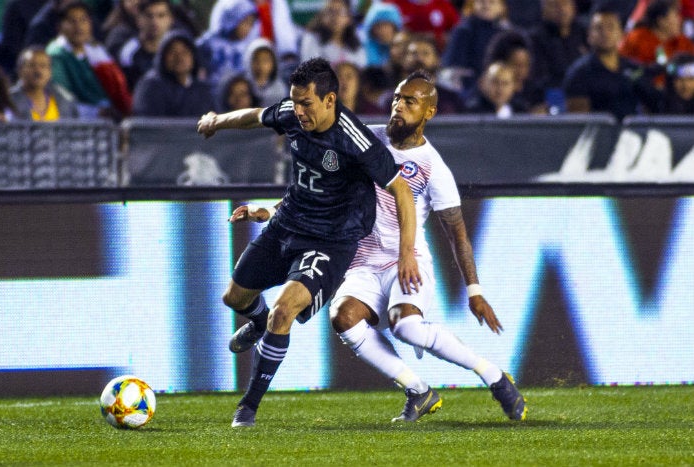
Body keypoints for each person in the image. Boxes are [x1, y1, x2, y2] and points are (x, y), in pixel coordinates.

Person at [196, 57, 421, 428]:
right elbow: (255, 115)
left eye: (306, 104)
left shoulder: (355, 139)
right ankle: (256, 323)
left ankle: (247, 407)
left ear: (330, 100)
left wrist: (406, 254)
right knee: (234, 297)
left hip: (331, 240)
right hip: (289, 223)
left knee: (283, 311)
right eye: (294, 102)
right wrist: (215, 122)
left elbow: (402, 192)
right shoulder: (291, 112)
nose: (298, 111)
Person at [327, 73, 527, 424]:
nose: (398, 107)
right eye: (396, 99)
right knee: (342, 318)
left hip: (408, 261)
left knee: (406, 328)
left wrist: (474, 291)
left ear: (429, 112)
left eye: (409, 102)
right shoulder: (366, 140)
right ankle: (418, 389)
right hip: (363, 264)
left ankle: (493, 376)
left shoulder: (433, 167)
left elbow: (457, 233)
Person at [563, 4, 661, 121]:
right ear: (589, 35)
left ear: (621, 34)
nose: (605, 33)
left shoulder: (634, 69)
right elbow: (578, 121)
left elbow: (653, 106)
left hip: (631, 136)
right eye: (599, 28)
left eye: (611, 27)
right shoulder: (578, 73)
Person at [46, 0, 133, 119]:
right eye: (72, 21)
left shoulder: (96, 50)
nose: (79, 26)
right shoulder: (56, 55)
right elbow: (62, 99)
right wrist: (96, 112)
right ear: (59, 26)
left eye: (83, 20)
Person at [132, 31, 214, 116]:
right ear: (162, 57)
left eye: (185, 52)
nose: (179, 57)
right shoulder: (149, 87)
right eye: (172, 52)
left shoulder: (203, 90)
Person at [619, 0, 694, 88]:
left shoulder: (683, 42)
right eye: (675, 16)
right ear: (661, 21)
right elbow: (619, 64)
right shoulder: (636, 39)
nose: (680, 21)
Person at [117, 0, 176, 91]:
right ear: (138, 20)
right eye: (149, 16)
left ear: (171, 19)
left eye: (161, 15)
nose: (155, 22)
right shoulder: (128, 53)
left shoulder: (180, 47)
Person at [9, 46, 79, 121]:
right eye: (32, 65)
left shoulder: (65, 99)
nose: (38, 71)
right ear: (20, 70)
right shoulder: (8, 100)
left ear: (50, 72)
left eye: (43, 66)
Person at [299, 0, 367, 68]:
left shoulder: (355, 43)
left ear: (348, 18)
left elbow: (362, 70)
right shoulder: (312, 38)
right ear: (322, 16)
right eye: (330, 12)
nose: (335, 17)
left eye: (340, 12)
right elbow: (310, 72)